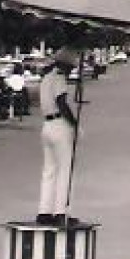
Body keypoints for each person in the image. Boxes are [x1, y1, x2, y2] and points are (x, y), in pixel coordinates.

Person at [36, 48, 81, 226]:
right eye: (71, 67)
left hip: (46, 125)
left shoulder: (46, 77)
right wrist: (74, 124)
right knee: (65, 170)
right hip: (59, 124)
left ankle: (44, 211)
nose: (71, 71)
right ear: (65, 65)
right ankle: (61, 212)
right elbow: (62, 103)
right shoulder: (59, 77)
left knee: (49, 171)